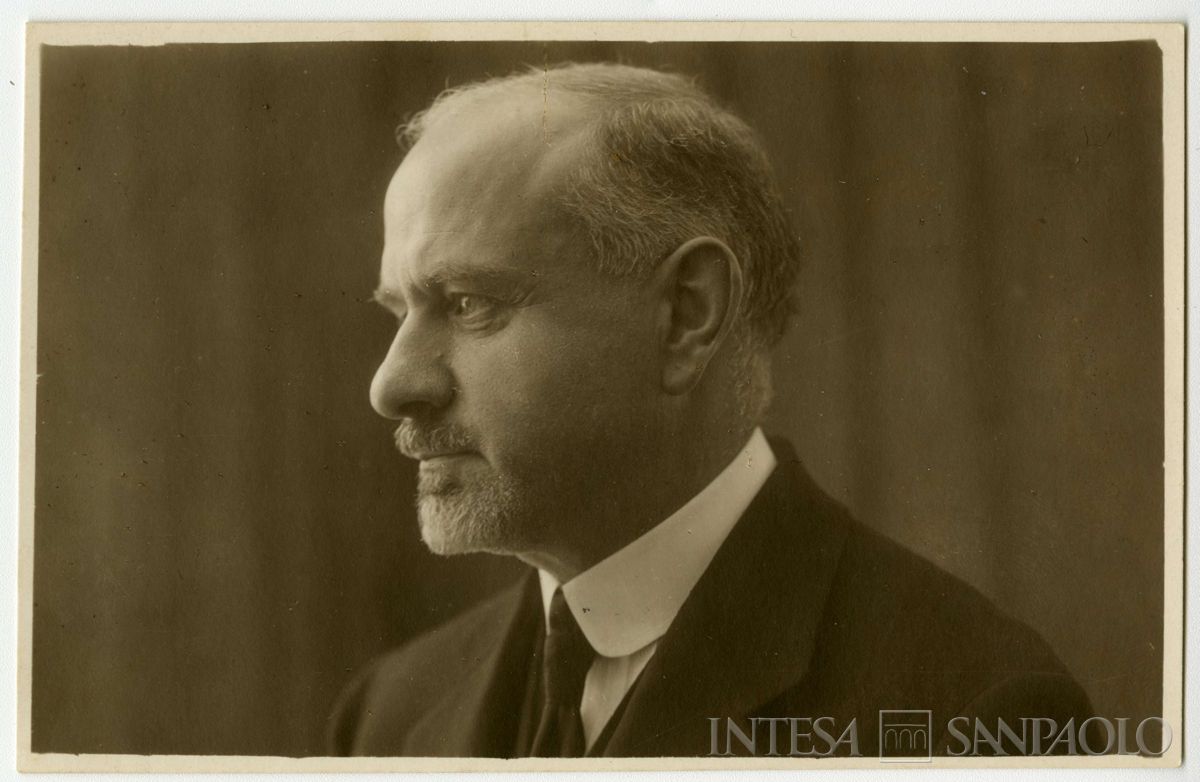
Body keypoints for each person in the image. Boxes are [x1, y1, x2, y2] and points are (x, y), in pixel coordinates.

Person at [327, 62, 1092, 758]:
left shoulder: (972, 714)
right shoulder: (385, 718)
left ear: (687, 315)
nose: (391, 384)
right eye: (399, 311)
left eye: (467, 304)